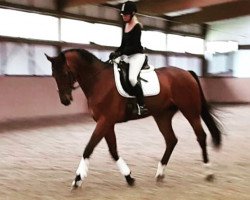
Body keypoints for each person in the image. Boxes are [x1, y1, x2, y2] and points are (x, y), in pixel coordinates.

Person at [109, 1, 148, 115]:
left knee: (132, 78)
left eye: (125, 14)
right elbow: (123, 45)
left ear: (132, 14)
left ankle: (142, 105)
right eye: (122, 14)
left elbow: (134, 47)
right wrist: (115, 53)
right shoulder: (125, 25)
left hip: (137, 56)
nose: (123, 16)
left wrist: (120, 54)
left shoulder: (137, 27)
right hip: (127, 55)